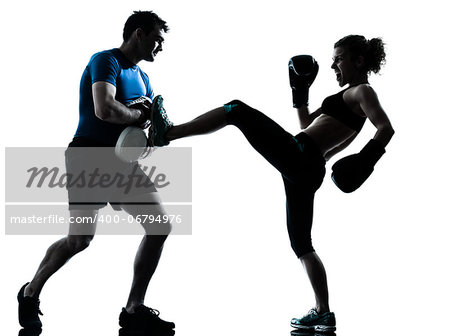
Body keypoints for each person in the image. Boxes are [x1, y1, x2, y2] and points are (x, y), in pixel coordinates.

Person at [161, 35, 395, 332]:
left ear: (359, 61)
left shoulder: (362, 91)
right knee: (302, 245)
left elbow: (385, 128)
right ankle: (323, 312)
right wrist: (300, 90)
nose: (333, 65)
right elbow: (305, 123)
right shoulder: (348, 95)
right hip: (306, 167)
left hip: (303, 157)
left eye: (338, 58)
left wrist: (366, 159)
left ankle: (167, 133)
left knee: (236, 110)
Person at [17, 11, 175, 334]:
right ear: (138, 34)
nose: (160, 47)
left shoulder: (144, 80)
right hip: (87, 156)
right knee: (80, 240)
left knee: (160, 225)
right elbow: (104, 109)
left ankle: (134, 310)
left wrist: (149, 140)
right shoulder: (106, 61)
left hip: (121, 164)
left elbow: (137, 131)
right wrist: (137, 115)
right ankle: (30, 292)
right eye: (157, 39)